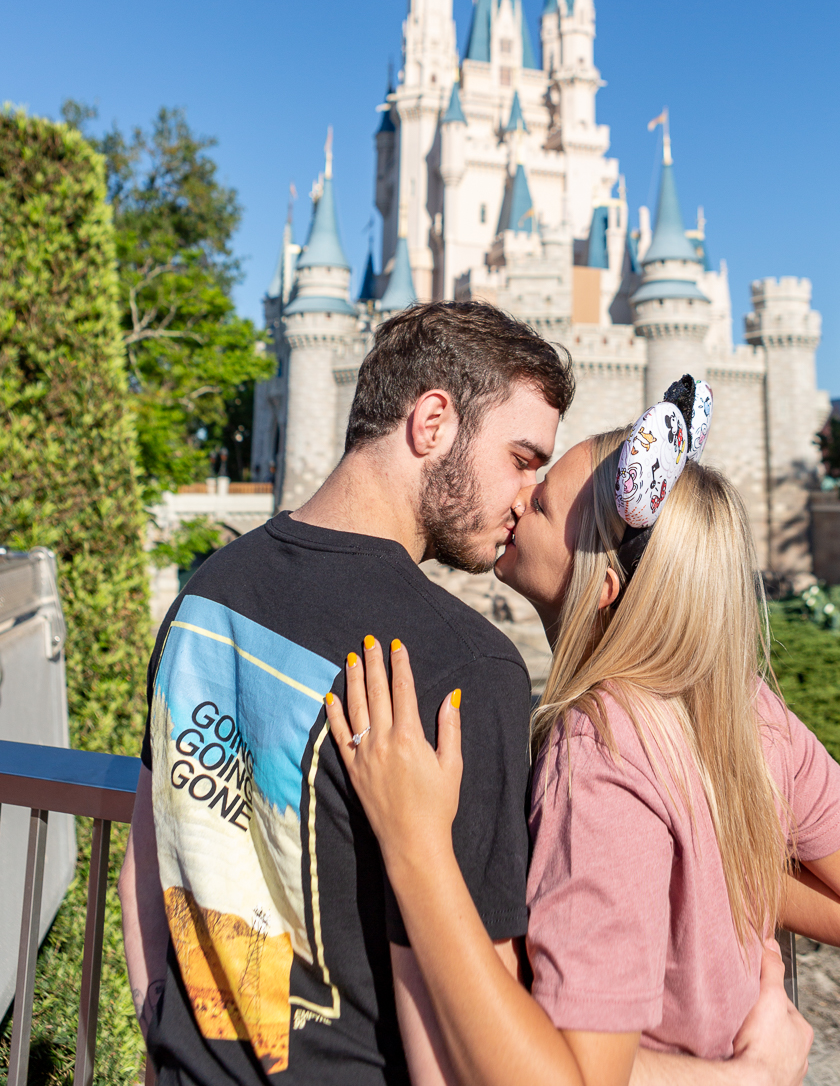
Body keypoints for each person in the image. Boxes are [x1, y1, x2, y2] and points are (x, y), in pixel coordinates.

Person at [327, 378, 840, 1086]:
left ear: (603, 586)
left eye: (545, 501)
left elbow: (581, 1077)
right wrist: (726, 866)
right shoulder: (745, 707)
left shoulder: (598, 754)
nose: (520, 499)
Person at [118, 300, 574, 1085]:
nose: (529, 496)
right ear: (432, 422)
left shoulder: (207, 594)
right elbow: (461, 1035)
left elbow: (147, 848)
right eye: (522, 457)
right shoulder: (462, 668)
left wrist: (165, 1025)